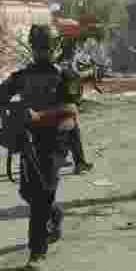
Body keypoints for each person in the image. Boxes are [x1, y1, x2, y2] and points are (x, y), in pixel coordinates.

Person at [0, 24, 80, 271]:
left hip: (56, 140)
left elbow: (71, 109)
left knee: (41, 195)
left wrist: (39, 115)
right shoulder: (22, 76)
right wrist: (7, 117)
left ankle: (36, 252)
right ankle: (55, 215)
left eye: (47, 47)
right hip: (28, 140)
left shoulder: (66, 75)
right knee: (29, 192)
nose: (42, 52)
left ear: (55, 47)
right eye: (39, 47)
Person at [58, 41, 94, 174]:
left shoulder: (64, 61)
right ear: (70, 51)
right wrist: (84, 74)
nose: (76, 53)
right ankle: (78, 162)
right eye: (74, 50)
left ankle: (67, 159)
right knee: (72, 132)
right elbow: (71, 78)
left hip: (62, 102)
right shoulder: (64, 62)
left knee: (69, 133)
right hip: (63, 103)